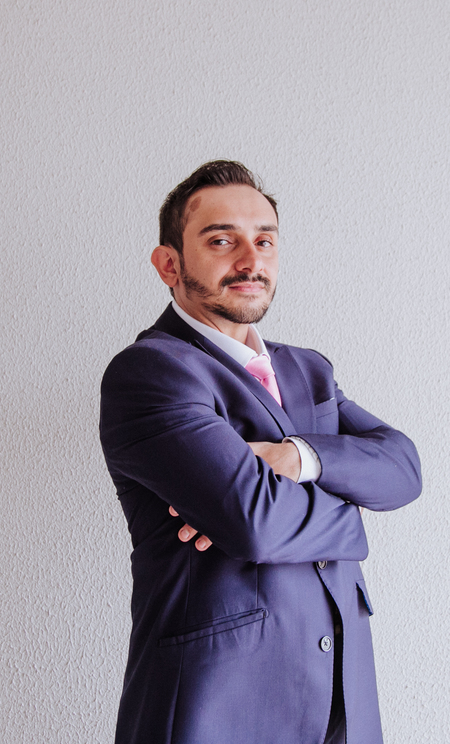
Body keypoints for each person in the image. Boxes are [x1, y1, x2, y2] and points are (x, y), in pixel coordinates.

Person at [99, 160, 421, 743]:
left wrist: (299, 457)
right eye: (222, 240)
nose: (251, 261)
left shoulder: (309, 370)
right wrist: (352, 512)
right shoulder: (151, 373)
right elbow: (257, 523)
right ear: (169, 264)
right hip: (219, 710)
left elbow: (402, 468)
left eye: (264, 241)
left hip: (340, 705)